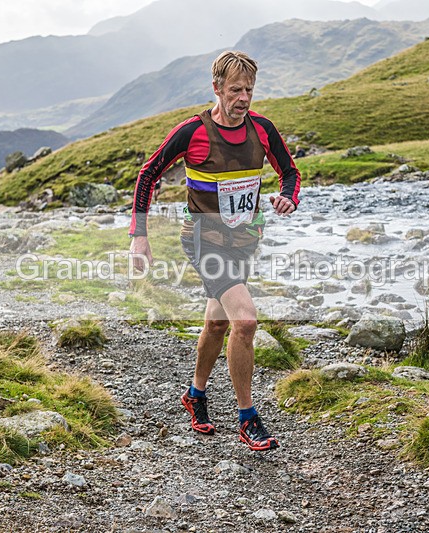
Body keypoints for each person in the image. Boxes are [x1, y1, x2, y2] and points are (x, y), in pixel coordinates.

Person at [129, 51, 301, 451]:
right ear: (217, 89)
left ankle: (196, 393)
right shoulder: (193, 131)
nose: (244, 98)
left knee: (219, 322)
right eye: (236, 90)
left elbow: (289, 173)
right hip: (203, 240)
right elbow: (148, 174)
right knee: (245, 321)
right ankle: (247, 418)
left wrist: (288, 197)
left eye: (250, 90)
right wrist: (140, 234)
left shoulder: (263, 129)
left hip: (244, 241)